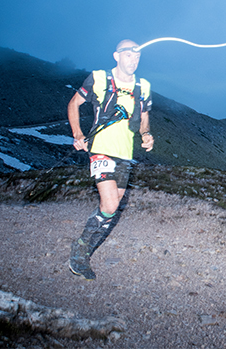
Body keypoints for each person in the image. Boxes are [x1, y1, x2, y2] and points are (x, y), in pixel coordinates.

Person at [67, 39, 154, 279]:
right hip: (101, 149)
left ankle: (85, 248)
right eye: (129, 55)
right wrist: (77, 133)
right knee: (110, 204)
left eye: (137, 56)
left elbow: (144, 117)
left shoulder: (143, 86)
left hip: (126, 154)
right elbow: (74, 103)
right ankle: (80, 251)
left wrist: (146, 134)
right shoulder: (99, 78)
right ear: (117, 56)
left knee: (111, 208)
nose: (134, 60)